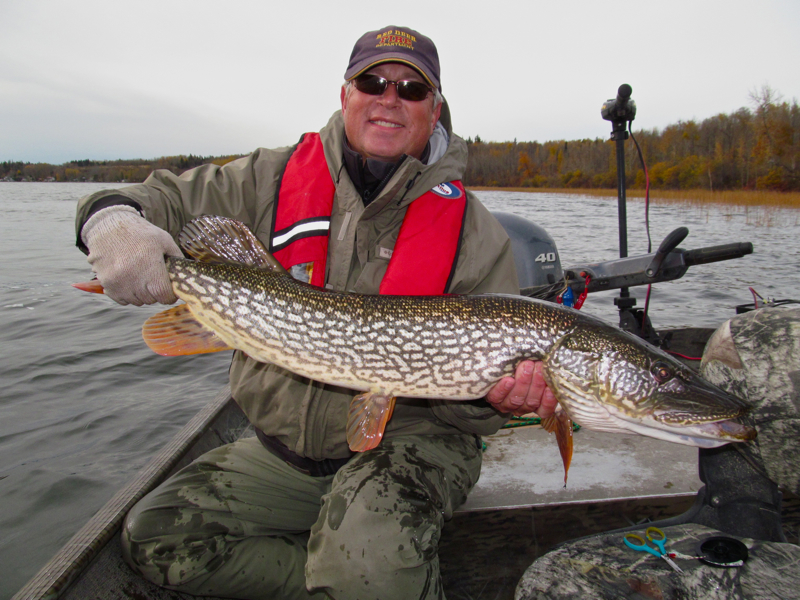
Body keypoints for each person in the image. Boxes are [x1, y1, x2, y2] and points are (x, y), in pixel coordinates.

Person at [75, 25, 557, 600]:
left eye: (411, 89)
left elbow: (473, 420)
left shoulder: (476, 233)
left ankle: (365, 576)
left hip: (412, 449)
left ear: (434, 107)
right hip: (285, 451)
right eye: (373, 81)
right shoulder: (269, 178)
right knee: (155, 538)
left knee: (365, 562)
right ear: (346, 93)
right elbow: (162, 197)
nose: (389, 98)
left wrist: (492, 400)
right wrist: (111, 220)